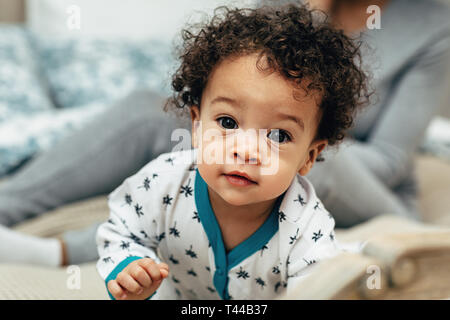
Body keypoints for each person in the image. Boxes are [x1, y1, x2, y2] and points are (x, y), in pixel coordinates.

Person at [1, 0, 449, 267]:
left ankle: (61, 252)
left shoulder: (436, 22)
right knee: (152, 113)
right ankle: (10, 206)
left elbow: (390, 159)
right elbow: (242, 87)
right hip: (286, 147)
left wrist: (286, 147)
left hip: (372, 183)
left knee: (276, 165)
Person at [95, 4, 368, 300]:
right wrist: (130, 270)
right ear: (197, 125)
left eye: (278, 135)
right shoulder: (165, 182)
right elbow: (122, 230)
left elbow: (319, 289)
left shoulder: (305, 225)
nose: (246, 151)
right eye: (228, 122)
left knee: (353, 274)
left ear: (309, 157)